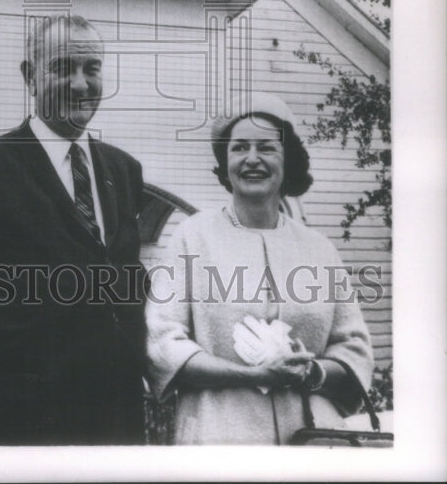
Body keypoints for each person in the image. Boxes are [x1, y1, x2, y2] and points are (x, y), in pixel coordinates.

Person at [0, 14, 147, 445]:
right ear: (30, 76)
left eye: (91, 69)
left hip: (115, 424)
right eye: (62, 67)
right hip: (16, 429)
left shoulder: (123, 170)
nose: (80, 84)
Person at [146, 93, 374, 445]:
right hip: (219, 437)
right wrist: (246, 374)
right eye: (239, 148)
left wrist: (310, 372)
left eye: (266, 147)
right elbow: (162, 342)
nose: (252, 159)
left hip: (313, 440)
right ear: (225, 161)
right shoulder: (193, 237)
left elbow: (353, 348)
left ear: (288, 160)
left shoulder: (319, 249)